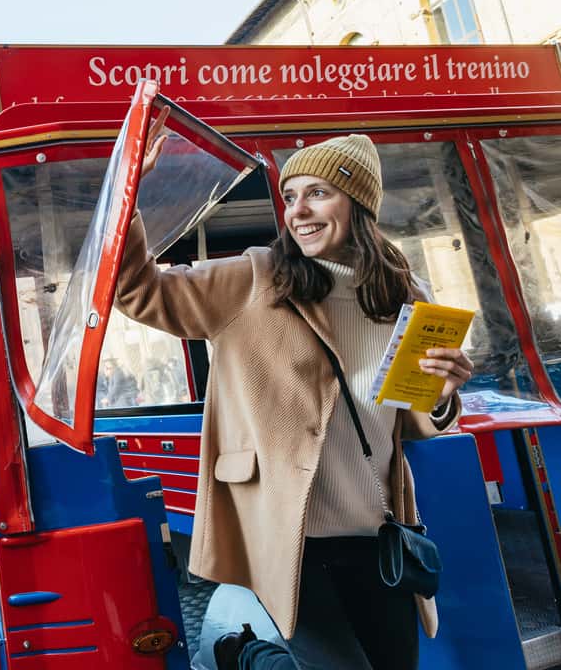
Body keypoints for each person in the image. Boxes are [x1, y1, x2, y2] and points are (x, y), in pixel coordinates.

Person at [115, 127, 472, 670]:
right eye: (290, 196)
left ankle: (247, 655)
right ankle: (249, 654)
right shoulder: (254, 279)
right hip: (290, 540)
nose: (298, 211)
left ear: (358, 203)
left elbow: (411, 422)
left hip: (380, 535)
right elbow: (139, 292)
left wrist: (443, 398)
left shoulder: (407, 295)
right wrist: (128, 194)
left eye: (318, 193)